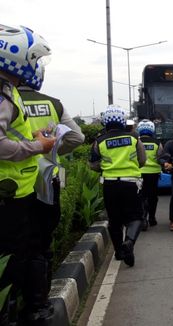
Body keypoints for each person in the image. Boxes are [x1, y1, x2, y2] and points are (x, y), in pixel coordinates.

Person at [18, 64, 85, 320]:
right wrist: (52, 155)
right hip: (46, 181)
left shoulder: (7, 100)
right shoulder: (53, 104)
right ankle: (38, 305)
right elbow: (76, 138)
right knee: (41, 244)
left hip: (11, 182)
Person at [0, 24, 55, 323]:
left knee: (22, 252)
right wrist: (37, 146)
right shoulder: (2, 92)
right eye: (34, 58)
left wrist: (31, 138)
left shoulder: (10, 90)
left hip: (17, 191)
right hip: (8, 195)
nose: (36, 66)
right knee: (12, 259)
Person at [89, 105, 146, 267]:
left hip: (110, 185)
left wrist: (107, 167)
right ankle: (129, 241)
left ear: (105, 122)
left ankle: (119, 252)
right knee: (135, 217)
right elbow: (142, 160)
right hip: (131, 183)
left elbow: (93, 164)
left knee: (115, 220)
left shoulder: (99, 141)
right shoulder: (134, 138)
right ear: (122, 121)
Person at [136, 119, 163, 229]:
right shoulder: (157, 143)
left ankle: (142, 218)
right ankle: (152, 218)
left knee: (141, 196)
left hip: (139, 174)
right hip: (153, 174)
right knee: (153, 197)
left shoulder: (136, 142)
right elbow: (160, 157)